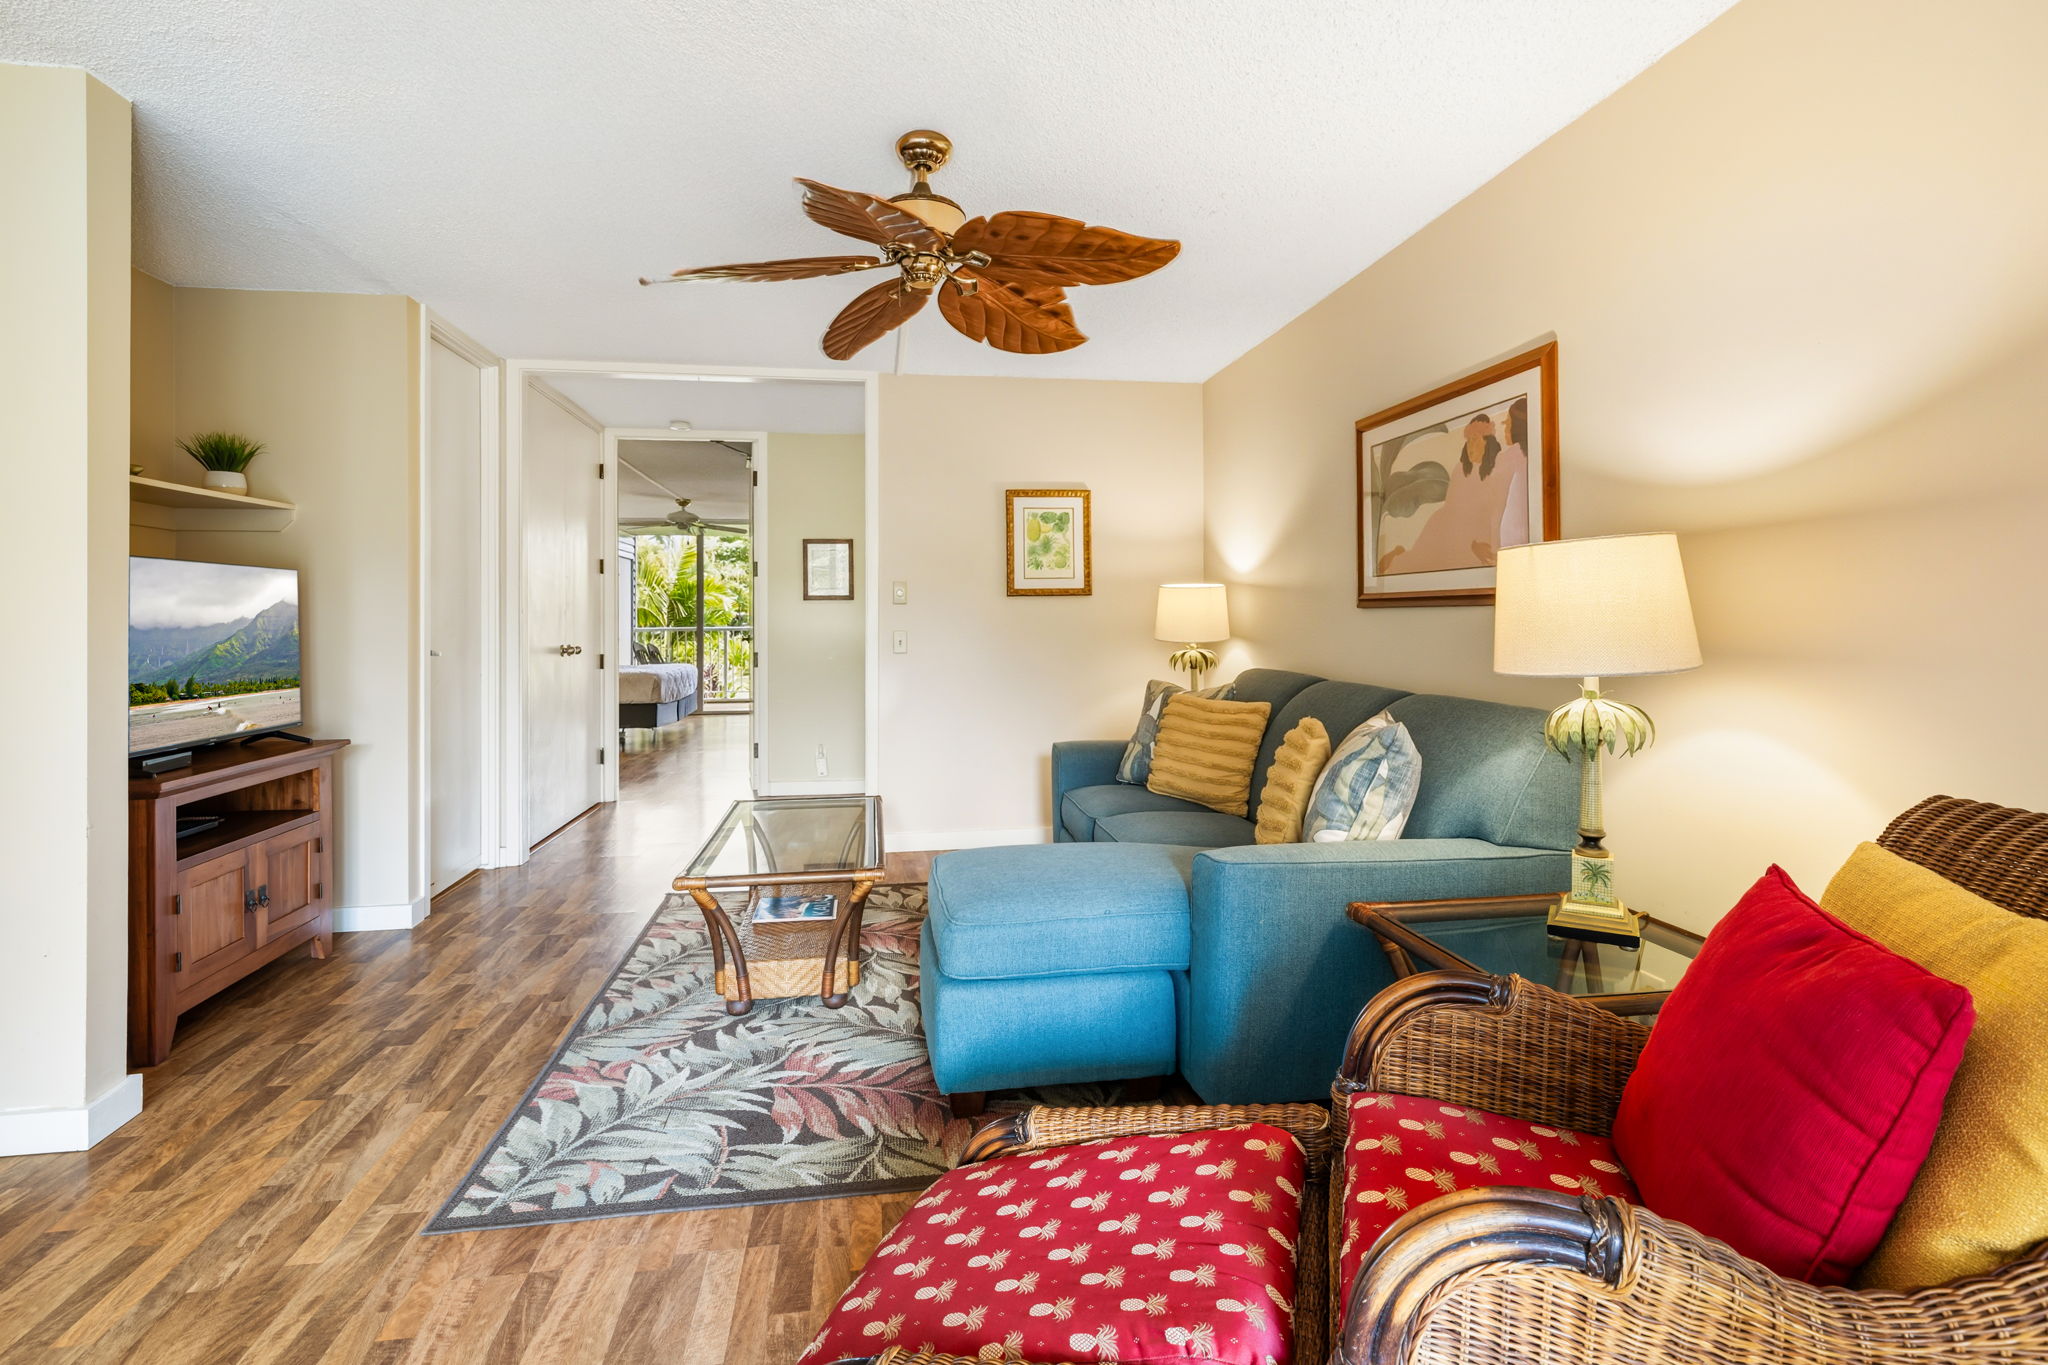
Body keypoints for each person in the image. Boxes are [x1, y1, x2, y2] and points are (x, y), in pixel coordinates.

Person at [1380, 405, 1520, 574]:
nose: (1472, 445)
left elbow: (1495, 504)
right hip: (1449, 522)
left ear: (1487, 442)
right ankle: (1398, 556)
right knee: (1419, 559)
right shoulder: (1461, 468)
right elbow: (1453, 502)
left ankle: (1400, 555)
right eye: (1469, 441)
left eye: (1476, 439)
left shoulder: (1496, 467)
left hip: (1476, 523)